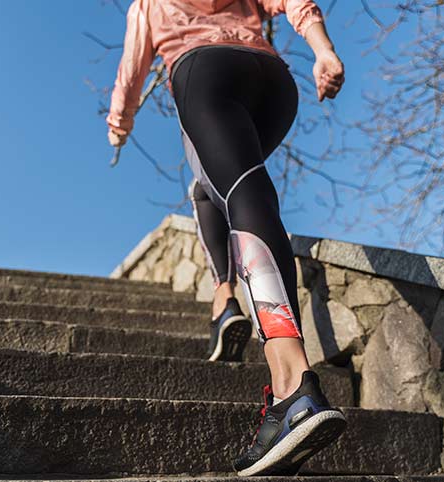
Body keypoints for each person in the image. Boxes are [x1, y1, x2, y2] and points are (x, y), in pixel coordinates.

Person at [106, 0, 346, 476]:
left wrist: (119, 124)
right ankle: (225, 303)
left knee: (240, 191)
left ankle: (291, 384)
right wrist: (323, 50)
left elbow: (133, 69)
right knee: (216, 186)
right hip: (272, 82)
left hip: (204, 69)